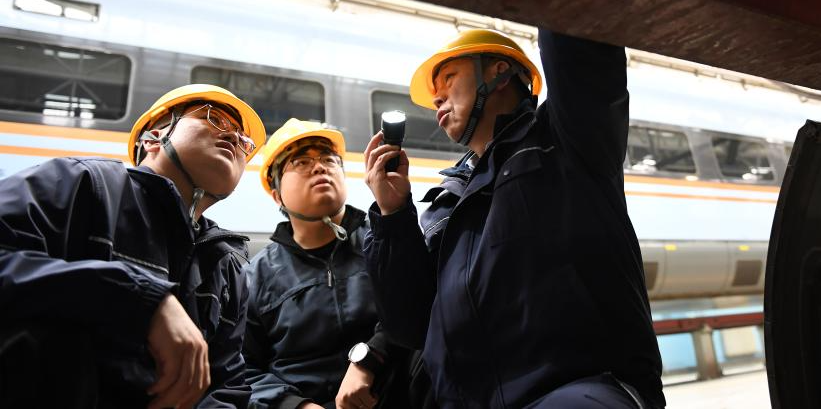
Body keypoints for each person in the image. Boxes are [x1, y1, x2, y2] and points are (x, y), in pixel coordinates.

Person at [362, 29, 666, 408]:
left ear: (499, 72)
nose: (437, 97)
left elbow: (580, 47)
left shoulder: (564, 139)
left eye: (449, 78)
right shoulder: (443, 207)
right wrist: (392, 216)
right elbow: (410, 326)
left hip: (579, 390)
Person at [0, 84, 266, 408]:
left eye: (243, 139)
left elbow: (226, 385)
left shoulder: (225, 265)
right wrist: (138, 299)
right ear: (152, 138)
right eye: (214, 118)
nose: (234, 136)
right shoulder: (84, 184)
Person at [243, 119, 425, 409]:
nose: (320, 167)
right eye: (301, 162)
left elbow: (420, 304)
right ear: (277, 194)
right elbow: (244, 368)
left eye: (329, 160)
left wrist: (370, 358)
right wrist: (296, 405)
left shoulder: (385, 238)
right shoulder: (255, 276)